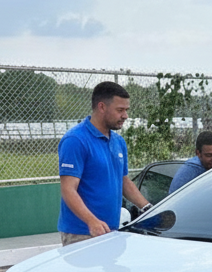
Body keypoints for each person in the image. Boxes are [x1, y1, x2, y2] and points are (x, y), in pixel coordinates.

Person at [57, 81, 150, 246]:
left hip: (111, 231)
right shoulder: (75, 140)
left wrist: (148, 208)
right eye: (120, 110)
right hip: (82, 234)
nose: (125, 116)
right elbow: (68, 190)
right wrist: (92, 222)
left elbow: (123, 181)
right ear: (102, 107)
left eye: (126, 110)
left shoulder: (118, 141)